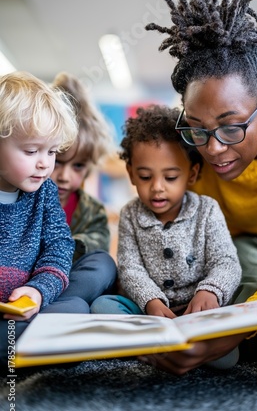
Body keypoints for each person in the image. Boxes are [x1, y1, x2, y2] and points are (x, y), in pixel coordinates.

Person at [137, 0, 257, 374]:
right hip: (230, 247)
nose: (214, 148)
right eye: (198, 127)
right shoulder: (188, 147)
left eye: (231, 126)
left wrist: (231, 334)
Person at [91, 105, 242, 327]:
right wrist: (150, 300)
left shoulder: (207, 210)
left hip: (197, 308)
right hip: (147, 309)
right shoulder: (130, 215)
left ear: (192, 174)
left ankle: (160, 344)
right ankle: (157, 340)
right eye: (145, 177)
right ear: (131, 174)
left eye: (170, 177)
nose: (157, 187)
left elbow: (226, 261)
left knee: (227, 358)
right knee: (102, 307)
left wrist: (210, 292)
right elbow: (130, 267)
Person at [0, 71, 85, 366]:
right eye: (32, 150)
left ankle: (24, 344)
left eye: (52, 152)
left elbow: (60, 245)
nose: (44, 164)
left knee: (81, 297)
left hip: (29, 300)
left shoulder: (45, 190)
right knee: (73, 319)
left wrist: (38, 290)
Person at [49, 72, 117, 307]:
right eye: (57, 160)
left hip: (64, 284)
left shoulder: (92, 209)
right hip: (25, 281)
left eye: (78, 166)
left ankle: (50, 308)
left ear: (88, 169)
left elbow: (98, 245)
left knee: (103, 264)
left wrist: (61, 247)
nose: (64, 177)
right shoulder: (24, 200)